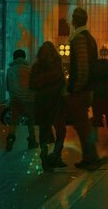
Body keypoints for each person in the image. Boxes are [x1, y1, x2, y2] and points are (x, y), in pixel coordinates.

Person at [67, 7, 106, 170]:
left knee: (82, 124)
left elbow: (82, 67)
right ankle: (90, 156)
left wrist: (76, 87)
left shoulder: (79, 38)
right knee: (83, 124)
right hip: (88, 89)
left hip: (81, 90)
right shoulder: (90, 38)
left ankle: (91, 157)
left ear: (74, 21)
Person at [30, 42, 67, 171]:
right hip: (56, 101)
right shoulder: (57, 66)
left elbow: (32, 85)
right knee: (61, 130)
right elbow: (63, 83)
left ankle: (44, 155)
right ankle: (57, 155)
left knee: (44, 131)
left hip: (41, 102)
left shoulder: (36, 67)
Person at [5, 49, 37, 151]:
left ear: (14, 57)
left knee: (13, 122)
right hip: (28, 100)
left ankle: (10, 139)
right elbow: (33, 87)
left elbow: (7, 87)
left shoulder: (10, 70)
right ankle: (32, 140)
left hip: (15, 100)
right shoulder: (30, 70)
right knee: (30, 121)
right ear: (24, 57)